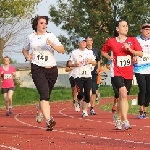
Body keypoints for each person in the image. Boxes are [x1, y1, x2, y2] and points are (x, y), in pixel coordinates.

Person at [22, 15, 65, 131]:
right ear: (36, 24)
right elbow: (24, 49)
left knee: (46, 95)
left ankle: (40, 109)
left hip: (51, 69)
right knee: (44, 93)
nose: (44, 25)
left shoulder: (51, 36)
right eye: (41, 23)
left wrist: (52, 45)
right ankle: (49, 120)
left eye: (45, 23)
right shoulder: (30, 37)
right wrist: (27, 56)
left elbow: (62, 50)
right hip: (37, 68)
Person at [101, 20, 142, 130]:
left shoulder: (132, 40)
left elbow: (141, 53)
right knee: (123, 93)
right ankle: (125, 120)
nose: (126, 27)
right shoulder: (111, 41)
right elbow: (103, 51)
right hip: (116, 72)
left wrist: (131, 50)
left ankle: (118, 117)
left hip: (128, 73)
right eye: (123, 26)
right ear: (117, 29)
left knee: (123, 97)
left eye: (127, 26)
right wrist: (109, 57)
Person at [68, 37, 96, 117]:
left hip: (87, 76)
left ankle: (84, 111)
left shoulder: (90, 52)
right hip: (78, 76)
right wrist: (74, 64)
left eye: (84, 42)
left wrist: (90, 61)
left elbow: (94, 63)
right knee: (80, 94)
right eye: (82, 42)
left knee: (87, 95)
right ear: (78, 43)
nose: (84, 43)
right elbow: (69, 63)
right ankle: (77, 100)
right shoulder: (74, 52)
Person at [133, 23, 150, 119]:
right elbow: (131, 51)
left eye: (149, 29)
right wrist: (134, 57)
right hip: (139, 68)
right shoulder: (136, 40)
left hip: (149, 68)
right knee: (142, 88)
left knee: (148, 90)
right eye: (145, 29)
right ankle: (140, 110)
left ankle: (145, 110)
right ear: (141, 30)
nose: (148, 30)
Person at [86, 36, 101, 115]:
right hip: (85, 73)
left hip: (94, 73)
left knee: (94, 90)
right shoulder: (84, 51)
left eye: (90, 40)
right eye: (87, 40)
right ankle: (85, 106)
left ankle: (92, 108)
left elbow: (98, 60)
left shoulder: (96, 50)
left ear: (92, 41)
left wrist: (98, 68)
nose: (89, 42)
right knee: (87, 90)